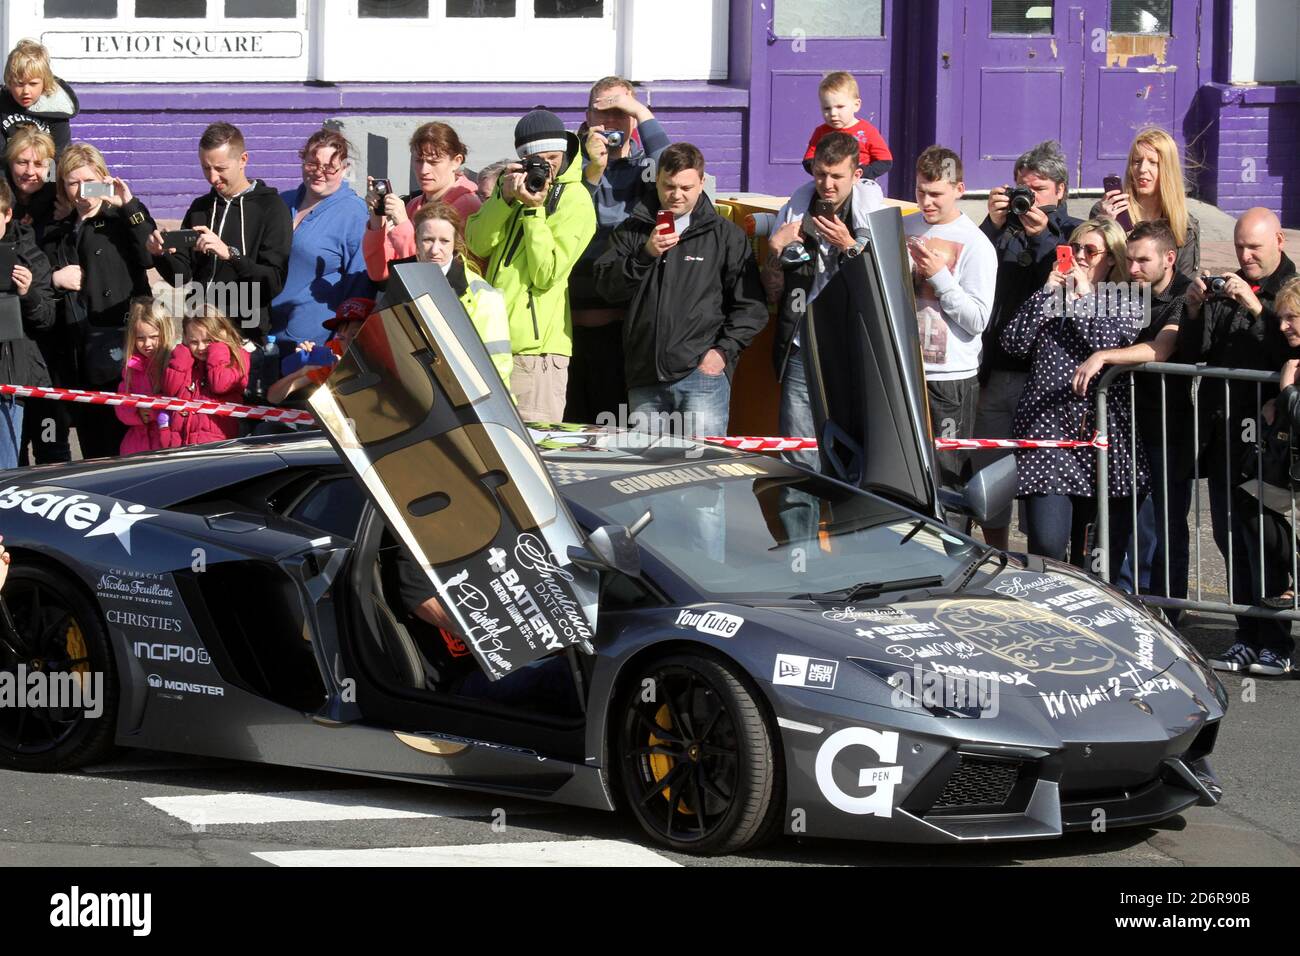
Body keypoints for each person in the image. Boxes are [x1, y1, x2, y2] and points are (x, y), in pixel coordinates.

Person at [1179, 207, 1295, 674]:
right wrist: (1192, 308)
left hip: (1275, 442)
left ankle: (1278, 642)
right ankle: (1246, 634)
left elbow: (1291, 348)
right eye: (1241, 246)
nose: (1245, 256)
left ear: (1279, 241)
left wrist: (1256, 307)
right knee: (1232, 539)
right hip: (1226, 432)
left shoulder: (1292, 291)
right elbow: (1195, 353)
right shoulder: (1229, 286)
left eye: (1255, 248)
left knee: (1265, 542)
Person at [1001, 218, 1146, 579]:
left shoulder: (1123, 299)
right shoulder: (1053, 294)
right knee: (1047, 544)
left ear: (1110, 259)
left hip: (1096, 436)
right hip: (1046, 433)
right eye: (1074, 248)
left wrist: (1083, 297)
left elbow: (1109, 343)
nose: (1080, 257)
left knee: (1092, 550)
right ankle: (1046, 612)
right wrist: (1045, 295)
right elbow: (1013, 343)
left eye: (1090, 251)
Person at [594, 142, 766, 439]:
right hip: (644, 376)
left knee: (704, 476)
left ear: (702, 182)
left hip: (703, 377)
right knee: (647, 476)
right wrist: (646, 254)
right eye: (668, 186)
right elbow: (607, 288)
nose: (676, 195)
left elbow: (751, 306)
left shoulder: (726, 236)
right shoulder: (633, 231)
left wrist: (722, 353)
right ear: (657, 181)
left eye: (686, 187)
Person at [1071, 220, 1193, 609]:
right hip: (1125, 422)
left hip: (1167, 424)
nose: (1134, 268)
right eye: (1130, 259)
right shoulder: (1125, 292)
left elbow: (1162, 348)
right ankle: (1129, 600)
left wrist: (1104, 356)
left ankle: (1168, 608)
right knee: (1127, 518)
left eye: (1143, 260)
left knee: (1165, 522)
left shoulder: (1183, 292)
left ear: (1169, 259)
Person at [975, 140, 1082, 548]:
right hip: (998, 371)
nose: (1027, 197)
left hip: (1045, 377)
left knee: (1043, 486)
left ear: (1060, 190)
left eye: (1036, 189)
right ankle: (994, 555)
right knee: (990, 475)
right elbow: (976, 271)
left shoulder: (1072, 232)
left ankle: (1045, 565)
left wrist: (1044, 238)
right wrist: (991, 224)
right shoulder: (1002, 232)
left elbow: (1070, 286)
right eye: (1021, 187)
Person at [763, 131, 886, 469]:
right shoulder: (796, 208)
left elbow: (883, 286)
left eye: (836, 176)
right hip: (803, 345)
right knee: (798, 455)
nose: (826, 184)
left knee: (854, 453)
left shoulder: (871, 215)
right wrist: (775, 249)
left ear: (857, 175)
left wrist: (850, 245)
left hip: (853, 348)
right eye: (819, 173)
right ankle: (802, 521)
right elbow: (773, 292)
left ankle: (844, 520)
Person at [465, 109, 596, 423]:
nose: (545, 168)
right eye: (536, 160)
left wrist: (533, 212)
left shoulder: (575, 199)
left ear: (564, 153)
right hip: (493, 344)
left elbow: (546, 274)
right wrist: (504, 200)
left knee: (534, 447)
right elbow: (477, 243)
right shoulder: (512, 188)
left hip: (536, 354)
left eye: (552, 157)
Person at [43, 142, 156, 460]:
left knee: (126, 437)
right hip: (80, 344)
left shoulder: (122, 216)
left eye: (88, 181)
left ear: (103, 178)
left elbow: (149, 256)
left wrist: (128, 205)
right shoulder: (62, 229)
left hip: (121, 342)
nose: (81, 192)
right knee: (93, 441)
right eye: (72, 183)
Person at [567, 76, 670, 426]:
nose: (609, 122)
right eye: (601, 113)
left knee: (619, 437)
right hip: (566, 332)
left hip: (623, 332)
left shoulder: (645, 169)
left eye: (619, 112)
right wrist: (590, 168)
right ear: (586, 117)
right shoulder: (569, 167)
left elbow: (673, 172)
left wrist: (641, 111)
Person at [905, 145, 998, 490]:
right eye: (920, 192)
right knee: (906, 475)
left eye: (936, 194)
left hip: (949, 378)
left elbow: (977, 320)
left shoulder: (976, 244)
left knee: (947, 480)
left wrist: (940, 277)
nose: (926, 202)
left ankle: (951, 542)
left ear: (959, 190)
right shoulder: (904, 227)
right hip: (905, 369)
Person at [148, 121, 292, 336]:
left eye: (220, 169)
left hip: (244, 332)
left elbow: (273, 282)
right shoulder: (201, 207)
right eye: (206, 168)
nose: (213, 177)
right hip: (199, 333)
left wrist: (230, 255)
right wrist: (159, 254)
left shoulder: (271, 207)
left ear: (243, 160)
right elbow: (181, 275)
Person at [270, 128, 373, 356]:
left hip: (311, 340)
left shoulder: (353, 212)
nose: (319, 172)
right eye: (312, 163)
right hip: (267, 329)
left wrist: (343, 337)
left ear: (344, 169)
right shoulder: (282, 201)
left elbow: (360, 281)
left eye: (329, 167)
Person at [5, 126, 68, 464]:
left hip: (48, 338)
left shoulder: (60, 204)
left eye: (38, 163)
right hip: (13, 336)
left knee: (49, 437)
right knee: (11, 446)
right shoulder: (5, 205)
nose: (30, 171)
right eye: (21, 162)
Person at [408, 202, 512, 390]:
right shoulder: (402, 283)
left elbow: (498, 368)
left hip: (464, 395)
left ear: (456, 242)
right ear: (416, 241)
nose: (434, 250)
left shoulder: (483, 296)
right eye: (428, 240)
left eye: (444, 241)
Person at [363, 122, 480, 284]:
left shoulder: (467, 205)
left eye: (433, 162)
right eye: (418, 160)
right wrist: (377, 218)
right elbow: (379, 273)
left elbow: (430, 275)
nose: (424, 170)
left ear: (456, 161)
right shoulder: (415, 205)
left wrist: (403, 223)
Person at [1093, 127, 1200, 279]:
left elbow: (1185, 287)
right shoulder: (1106, 211)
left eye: (1153, 162)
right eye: (1136, 161)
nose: (1142, 169)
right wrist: (1104, 227)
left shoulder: (1186, 226)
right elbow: (1092, 271)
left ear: (1168, 169)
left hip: (1162, 301)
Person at [0, 176, 54, 468]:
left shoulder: (29, 254)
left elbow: (46, 318)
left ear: (8, 214)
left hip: (9, 378)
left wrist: (28, 292)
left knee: (6, 471)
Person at [165, 305, 250, 446]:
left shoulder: (236, 357)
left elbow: (220, 385)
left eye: (208, 341)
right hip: (180, 440)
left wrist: (218, 347)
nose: (200, 347)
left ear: (220, 335)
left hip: (217, 442)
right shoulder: (186, 359)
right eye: (193, 341)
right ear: (185, 339)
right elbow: (170, 389)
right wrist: (182, 355)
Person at [267, 296, 371, 405]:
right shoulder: (334, 351)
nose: (347, 343)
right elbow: (273, 398)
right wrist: (302, 371)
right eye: (341, 337)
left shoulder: (384, 352)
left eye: (354, 335)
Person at [115, 297, 181, 455]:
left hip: (168, 442)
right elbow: (120, 404)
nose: (147, 344)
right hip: (138, 443)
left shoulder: (175, 364)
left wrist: (155, 413)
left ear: (165, 332)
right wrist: (136, 413)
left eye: (153, 337)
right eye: (140, 338)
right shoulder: (131, 367)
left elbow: (182, 404)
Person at [801, 71, 892, 180]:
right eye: (827, 108)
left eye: (840, 107)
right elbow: (808, 160)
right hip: (827, 181)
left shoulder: (867, 131)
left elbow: (885, 161)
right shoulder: (821, 132)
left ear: (856, 105)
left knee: (870, 196)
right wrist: (822, 171)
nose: (833, 113)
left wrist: (862, 173)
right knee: (804, 194)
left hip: (860, 182)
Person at [0, 39, 79, 155]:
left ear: (45, 83)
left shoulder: (56, 109)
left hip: (47, 171)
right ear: (9, 82)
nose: (26, 91)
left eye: (33, 84)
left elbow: (60, 158)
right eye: (19, 84)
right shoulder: (2, 106)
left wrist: (46, 173)